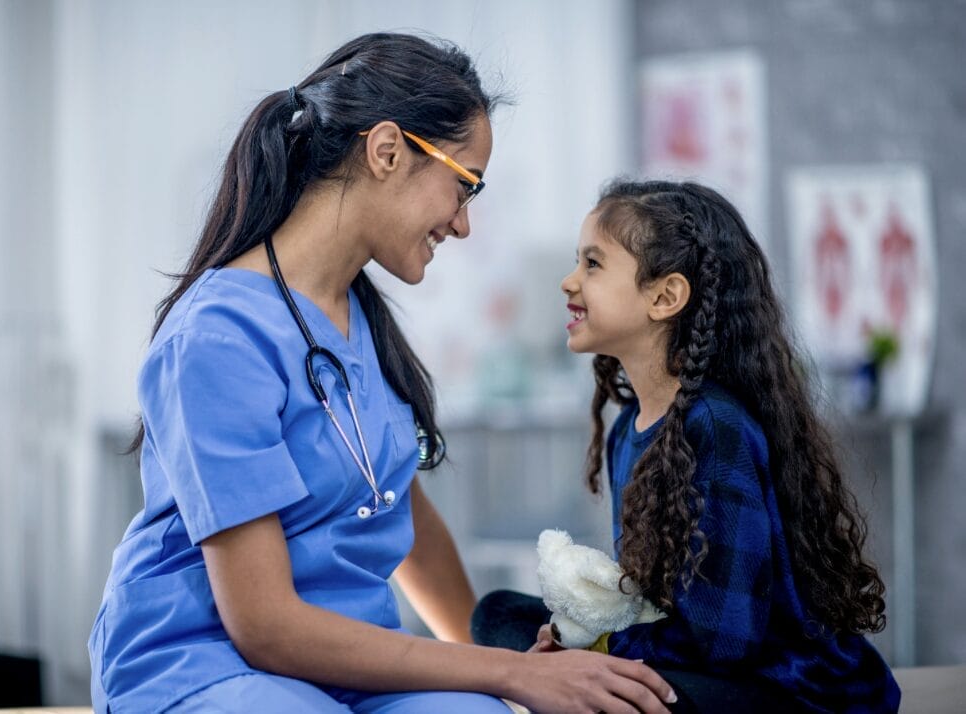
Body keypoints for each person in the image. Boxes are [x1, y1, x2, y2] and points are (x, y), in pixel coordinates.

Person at [88, 34, 679, 714]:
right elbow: (264, 626)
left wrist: (519, 678)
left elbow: (402, 516)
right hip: (206, 661)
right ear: (388, 151)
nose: (462, 224)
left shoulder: (362, 322)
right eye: (463, 187)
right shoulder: (218, 338)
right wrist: (505, 674)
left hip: (348, 663)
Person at [471, 180, 902, 713]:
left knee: (608, 689)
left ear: (665, 296)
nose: (569, 282)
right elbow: (646, 601)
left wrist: (592, 651)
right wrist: (569, 641)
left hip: (778, 687)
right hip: (691, 657)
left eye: (593, 264)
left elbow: (727, 642)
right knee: (495, 615)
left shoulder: (714, 428)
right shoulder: (630, 427)